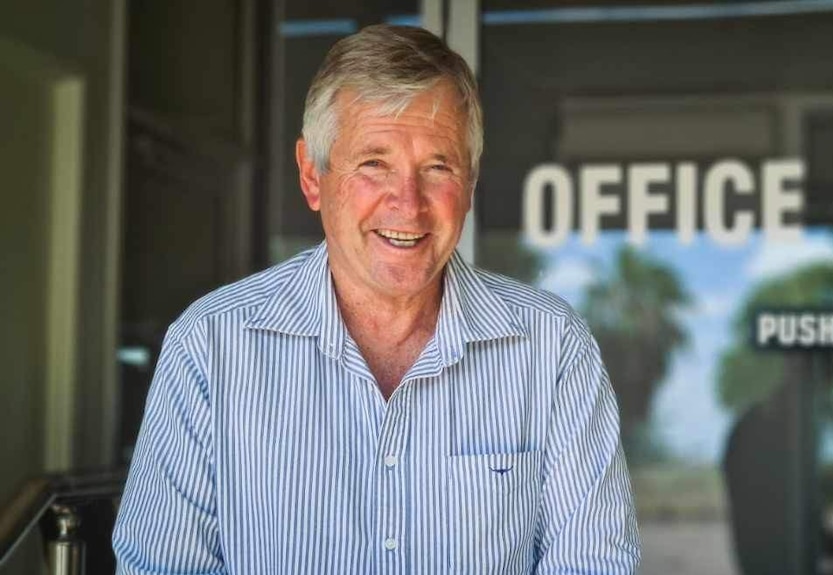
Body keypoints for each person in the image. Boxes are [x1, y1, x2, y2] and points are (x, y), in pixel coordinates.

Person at [112, 24, 641, 574]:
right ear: (312, 175)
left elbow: (593, 562)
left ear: (472, 181)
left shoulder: (551, 346)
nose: (407, 204)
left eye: (438, 167)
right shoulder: (210, 345)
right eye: (373, 164)